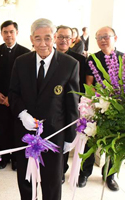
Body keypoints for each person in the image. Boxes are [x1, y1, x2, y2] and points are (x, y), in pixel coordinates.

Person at [9, 18, 79, 200]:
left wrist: (70, 136)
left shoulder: (69, 64)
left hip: (54, 134)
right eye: (38, 39)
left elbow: (72, 104)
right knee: (26, 179)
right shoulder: (21, 62)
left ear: (54, 37)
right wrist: (22, 114)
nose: (43, 44)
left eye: (47, 38)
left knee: (52, 181)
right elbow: (13, 93)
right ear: (31, 39)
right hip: (25, 133)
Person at [78, 26, 123, 191]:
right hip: (96, 105)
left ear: (115, 38)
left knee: (114, 143)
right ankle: (85, 173)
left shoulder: (123, 58)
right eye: (99, 37)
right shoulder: (91, 59)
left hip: (118, 108)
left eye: (106, 36)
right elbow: (89, 83)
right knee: (90, 140)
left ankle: (109, 175)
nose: (103, 40)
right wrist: (100, 99)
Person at [0, 20, 30, 171]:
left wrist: (12, 97)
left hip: (17, 99)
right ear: (1, 34)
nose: (8, 35)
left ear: (16, 33)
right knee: (3, 129)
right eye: (5, 32)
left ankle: (17, 159)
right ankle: (4, 157)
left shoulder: (26, 52)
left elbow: (26, 80)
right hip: (0, 98)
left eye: (11, 32)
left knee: (17, 130)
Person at [55, 25, 86, 183]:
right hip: (54, 107)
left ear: (72, 40)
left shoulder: (79, 60)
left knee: (66, 139)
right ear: (55, 37)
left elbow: (82, 86)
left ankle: (61, 171)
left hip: (71, 105)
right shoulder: (49, 57)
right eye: (60, 37)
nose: (63, 40)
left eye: (67, 37)